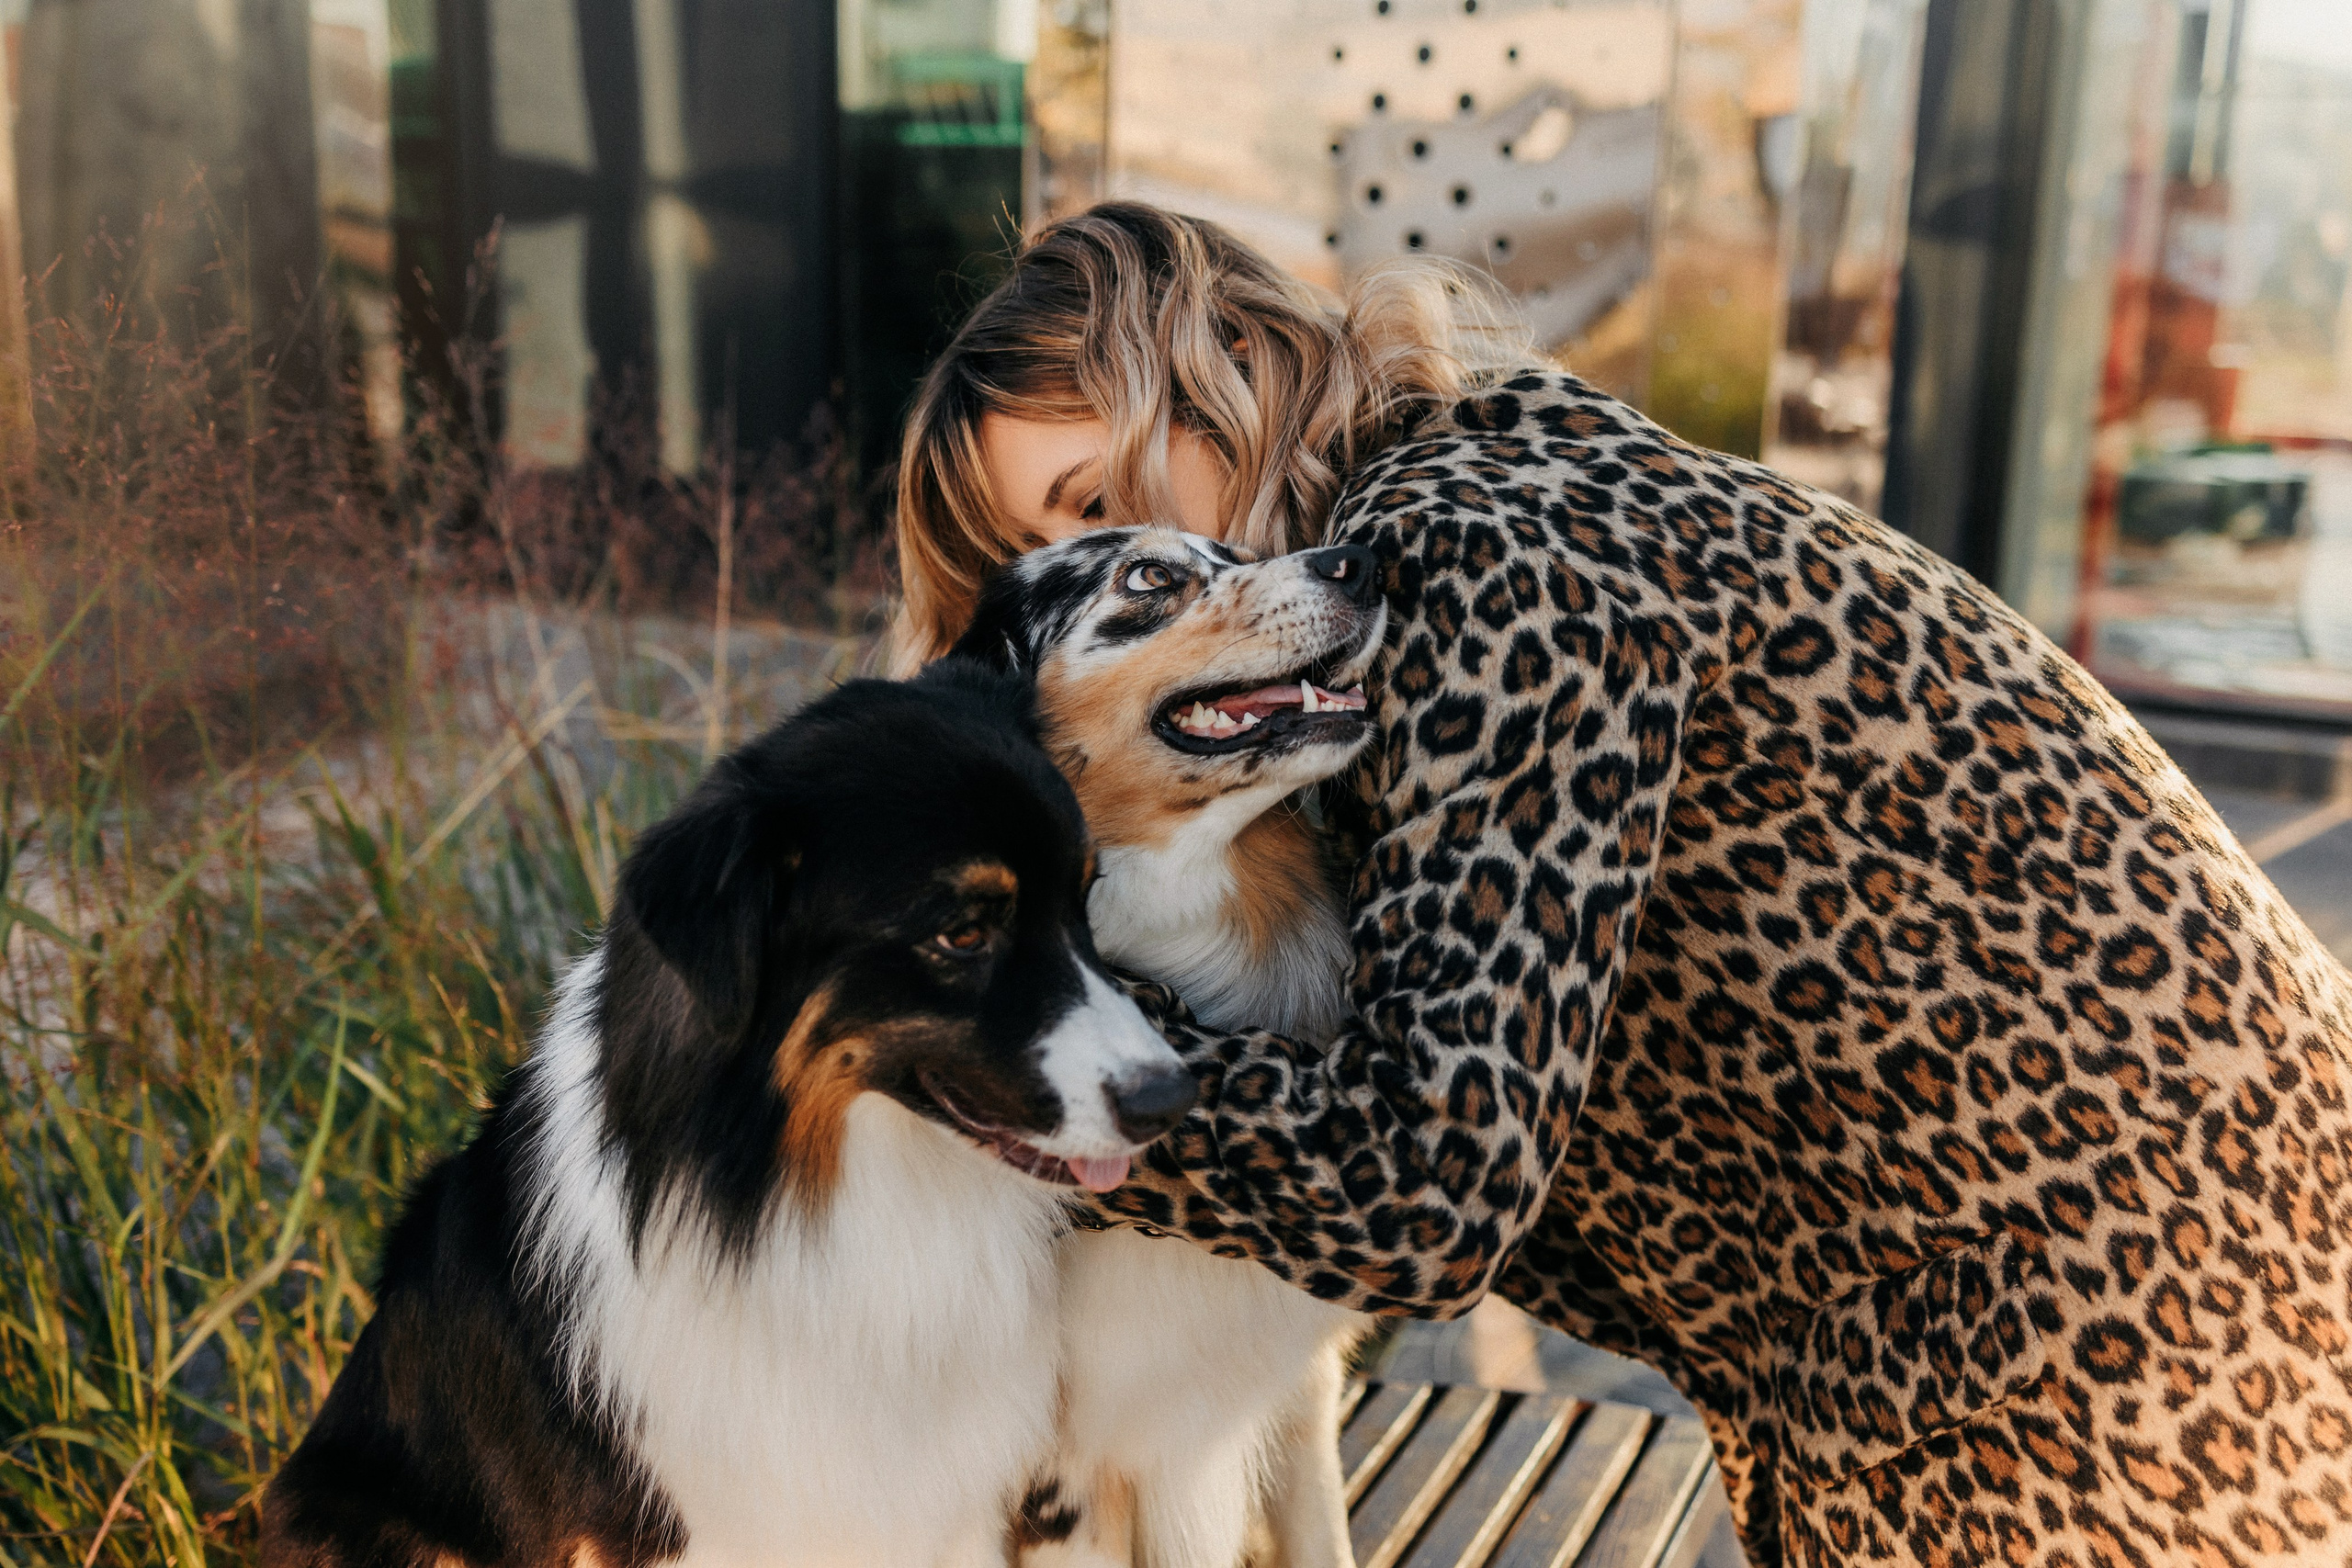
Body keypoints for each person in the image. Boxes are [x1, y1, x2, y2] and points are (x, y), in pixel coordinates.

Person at [893, 201, 2352, 1568]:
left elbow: (1425, 1187)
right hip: (2081, 1304)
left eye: (1095, 503)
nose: (1099, 576)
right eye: (1048, 561)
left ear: (1204, 380)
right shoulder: (1465, 507)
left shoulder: (1483, 555)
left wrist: (1020, 1076)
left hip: (2136, 1337)